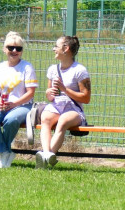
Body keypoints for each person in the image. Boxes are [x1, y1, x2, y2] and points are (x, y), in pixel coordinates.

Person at [0, 31, 38, 168]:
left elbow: (30, 93)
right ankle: (3, 152)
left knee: (11, 120)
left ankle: (1, 152)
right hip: (4, 105)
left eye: (18, 49)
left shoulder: (27, 67)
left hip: (23, 105)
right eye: (10, 48)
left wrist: (14, 104)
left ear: (22, 51)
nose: (14, 51)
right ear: (4, 49)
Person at [36, 35, 91, 168]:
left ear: (65, 49)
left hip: (74, 109)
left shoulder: (80, 71)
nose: (54, 49)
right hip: (56, 106)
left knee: (63, 121)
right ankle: (47, 156)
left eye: (56, 46)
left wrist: (64, 89)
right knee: (45, 118)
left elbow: (86, 98)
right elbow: (50, 96)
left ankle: (45, 157)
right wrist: (48, 93)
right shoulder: (52, 69)